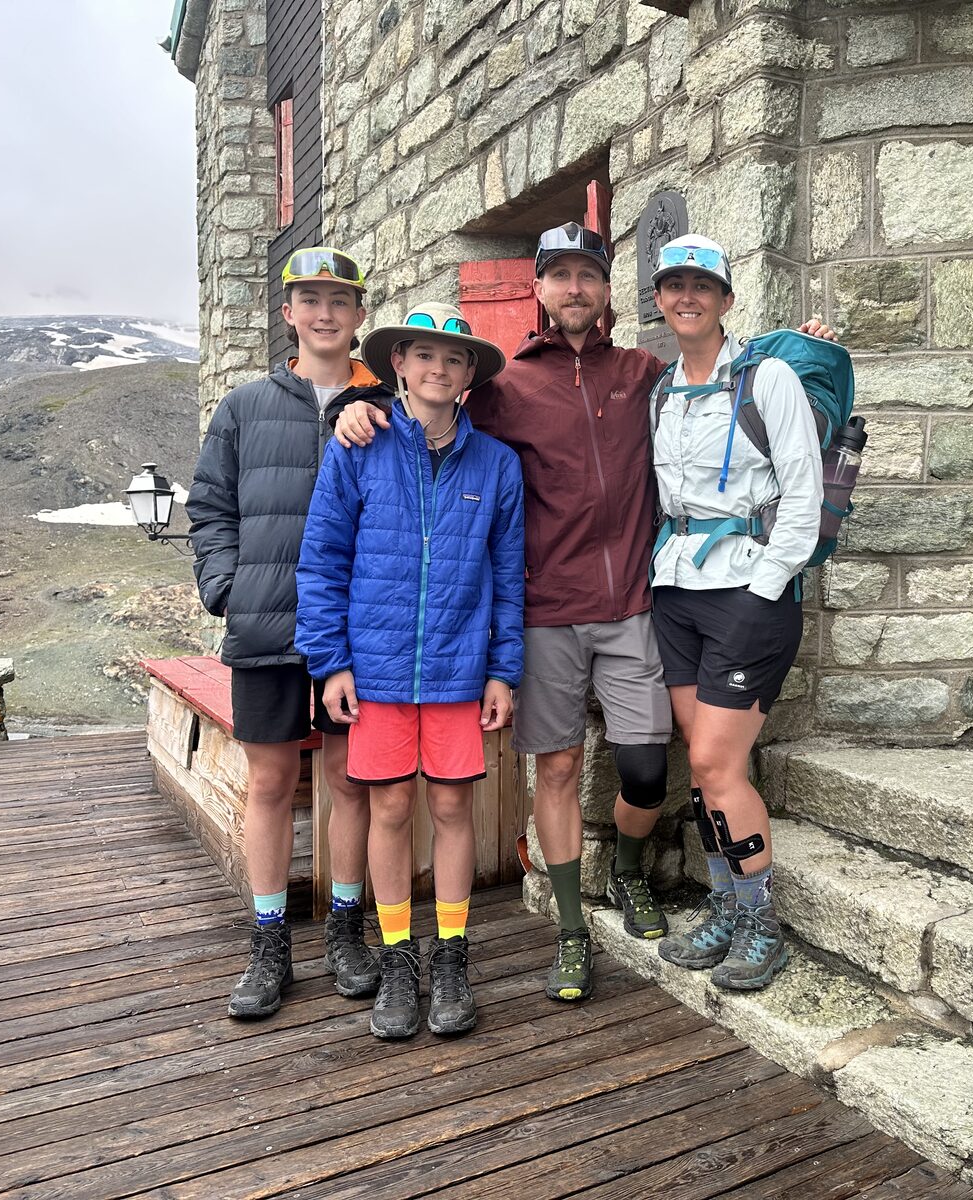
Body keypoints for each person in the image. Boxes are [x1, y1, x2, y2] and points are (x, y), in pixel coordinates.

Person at [334, 223, 833, 1003]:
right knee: (560, 767)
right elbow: (430, 410)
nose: (573, 288)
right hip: (545, 611)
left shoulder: (645, 375)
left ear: (606, 291)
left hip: (637, 601)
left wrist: (802, 345)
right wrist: (356, 404)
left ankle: (631, 871)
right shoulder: (506, 388)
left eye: (587, 276)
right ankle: (572, 931)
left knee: (649, 765)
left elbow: (720, 348)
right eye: (558, 275)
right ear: (538, 287)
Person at [296, 301, 524, 1039]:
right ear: (397, 363)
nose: (438, 368)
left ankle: (451, 952)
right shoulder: (356, 447)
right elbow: (322, 560)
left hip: (460, 671)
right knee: (390, 810)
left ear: (469, 376)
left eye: (454, 359)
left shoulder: (497, 465)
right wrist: (330, 662)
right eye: (423, 355)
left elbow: (510, 575)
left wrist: (502, 669)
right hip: (380, 670)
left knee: (454, 810)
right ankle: (398, 953)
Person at [187, 246, 391, 1019]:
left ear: (359, 314)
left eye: (340, 300)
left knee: (349, 783)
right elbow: (210, 508)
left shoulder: (386, 408)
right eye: (310, 299)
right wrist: (227, 589)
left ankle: (345, 930)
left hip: (356, 632)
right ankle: (269, 942)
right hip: (267, 626)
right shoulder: (243, 407)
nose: (325, 313)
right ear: (289, 314)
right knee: (271, 783)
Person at [647, 235, 823, 991]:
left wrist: (766, 586)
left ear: (725, 298)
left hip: (748, 593)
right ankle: (725, 904)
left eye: (702, 285)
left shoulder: (768, 377)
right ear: (660, 299)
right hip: (676, 590)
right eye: (674, 285)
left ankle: (760, 922)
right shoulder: (660, 389)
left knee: (718, 762)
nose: (688, 297)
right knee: (708, 765)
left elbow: (803, 496)